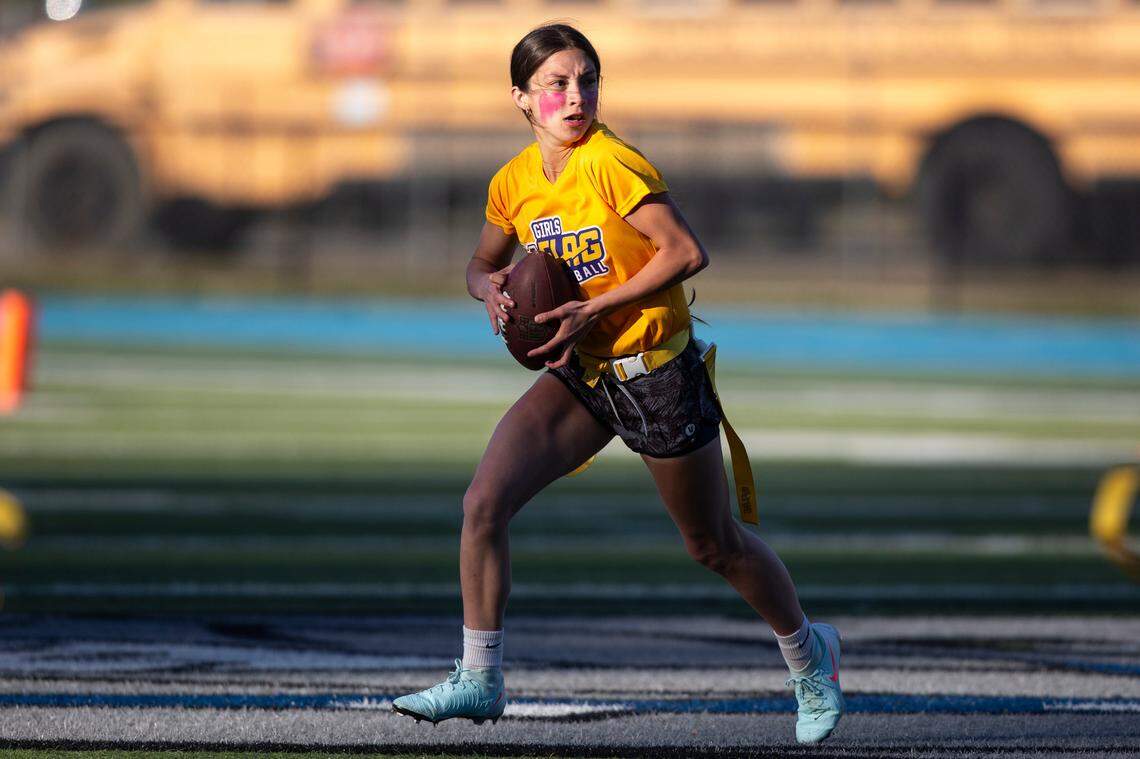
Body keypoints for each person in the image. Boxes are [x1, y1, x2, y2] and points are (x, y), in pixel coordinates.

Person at [392, 23, 845, 744]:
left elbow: (686, 251)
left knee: (713, 544)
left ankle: (811, 656)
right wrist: (491, 291)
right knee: (482, 503)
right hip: (583, 373)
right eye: (557, 84)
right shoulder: (512, 182)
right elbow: (480, 263)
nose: (576, 97)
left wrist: (594, 308)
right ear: (520, 97)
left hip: (655, 372)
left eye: (587, 80)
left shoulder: (610, 162)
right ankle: (480, 676)